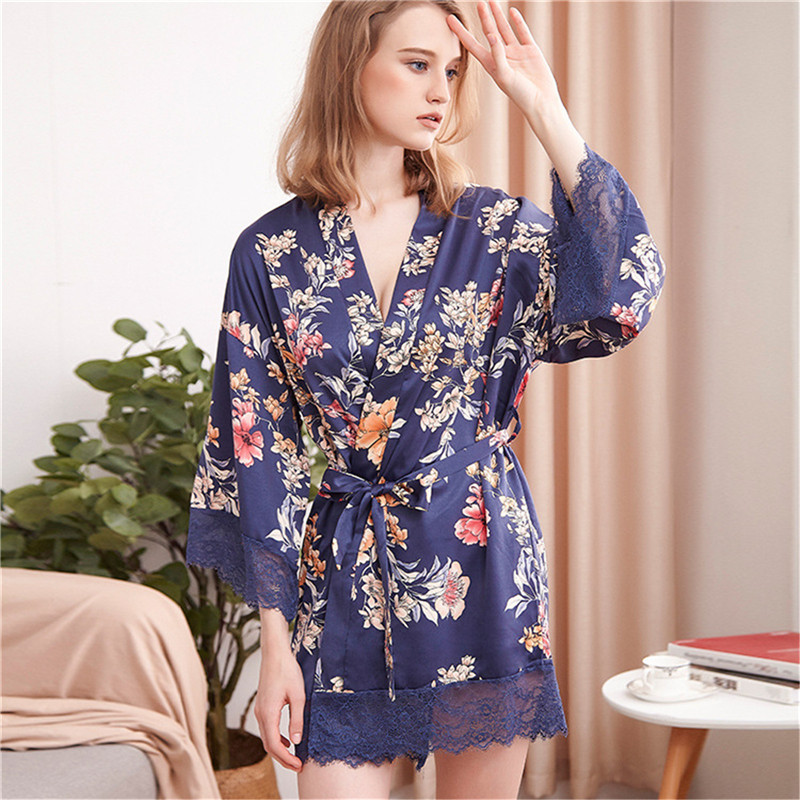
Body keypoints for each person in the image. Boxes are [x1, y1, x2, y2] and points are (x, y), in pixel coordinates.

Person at [186, 0, 666, 797]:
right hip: (343, 578)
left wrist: (544, 107)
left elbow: (621, 298)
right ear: (350, 64)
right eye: (416, 65)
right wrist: (275, 647)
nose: (440, 90)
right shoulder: (270, 252)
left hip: (479, 557)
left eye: (451, 70)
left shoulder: (495, 232)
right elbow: (254, 449)